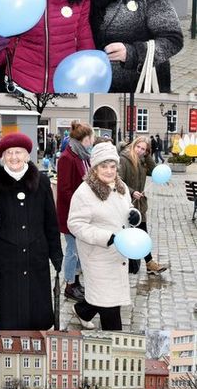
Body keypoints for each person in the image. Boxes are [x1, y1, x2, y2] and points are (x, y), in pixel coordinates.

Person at [0, 132, 61, 330]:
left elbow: (51, 221)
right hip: (5, 256)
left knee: (37, 313)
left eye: (18, 152)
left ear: (27, 155)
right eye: (9, 153)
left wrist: (56, 253)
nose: (14, 157)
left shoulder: (42, 182)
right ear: (2, 157)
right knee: (9, 317)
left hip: (36, 254)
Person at [66, 142, 138, 330]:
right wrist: (106, 236)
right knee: (110, 307)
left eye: (112, 166)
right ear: (95, 167)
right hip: (97, 256)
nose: (109, 171)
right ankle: (115, 345)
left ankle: (82, 311)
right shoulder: (85, 192)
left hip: (118, 256)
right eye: (104, 166)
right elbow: (75, 224)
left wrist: (133, 214)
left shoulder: (120, 186)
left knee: (103, 297)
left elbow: (127, 209)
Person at [118, 136, 169, 276]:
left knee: (143, 232)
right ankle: (146, 262)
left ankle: (149, 263)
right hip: (128, 203)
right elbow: (118, 181)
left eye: (144, 149)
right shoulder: (124, 159)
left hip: (140, 204)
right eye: (138, 147)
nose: (140, 151)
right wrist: (132, 192)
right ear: (133, 145)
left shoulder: (142, 161)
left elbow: (154, 171)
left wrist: (147, 156)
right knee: (131, 233)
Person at [57, 121, 93, 303]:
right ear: (84, 139)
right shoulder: (67, 157)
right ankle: (69, 286)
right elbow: (64, 190)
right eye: (90, 138)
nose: (92, 141)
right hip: (71, 213)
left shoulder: (82, 156)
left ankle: (76, 281)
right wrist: (81, 206)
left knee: (79, 249)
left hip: (82, 213)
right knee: (72, 251)